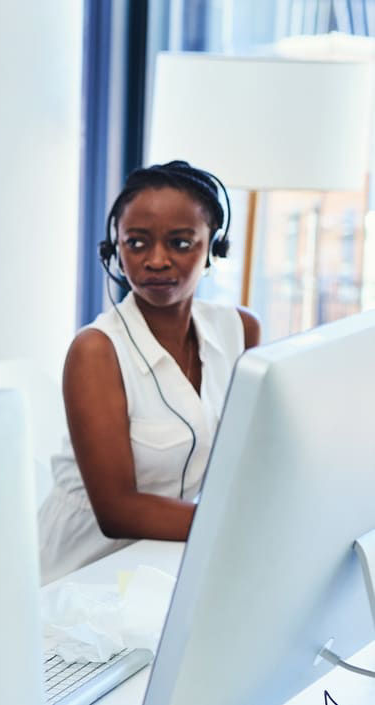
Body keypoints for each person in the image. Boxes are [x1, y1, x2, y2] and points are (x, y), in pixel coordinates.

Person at [37, 160, 261, 583]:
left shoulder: (239, 330)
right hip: (81, 570)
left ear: (213, 247)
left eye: (180, 243)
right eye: (136, 244)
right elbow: (117, 511)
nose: (156, 261)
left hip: (170, 559)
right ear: (114, 250)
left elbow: (251, 454)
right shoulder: (96, 351)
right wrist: (240, 529)